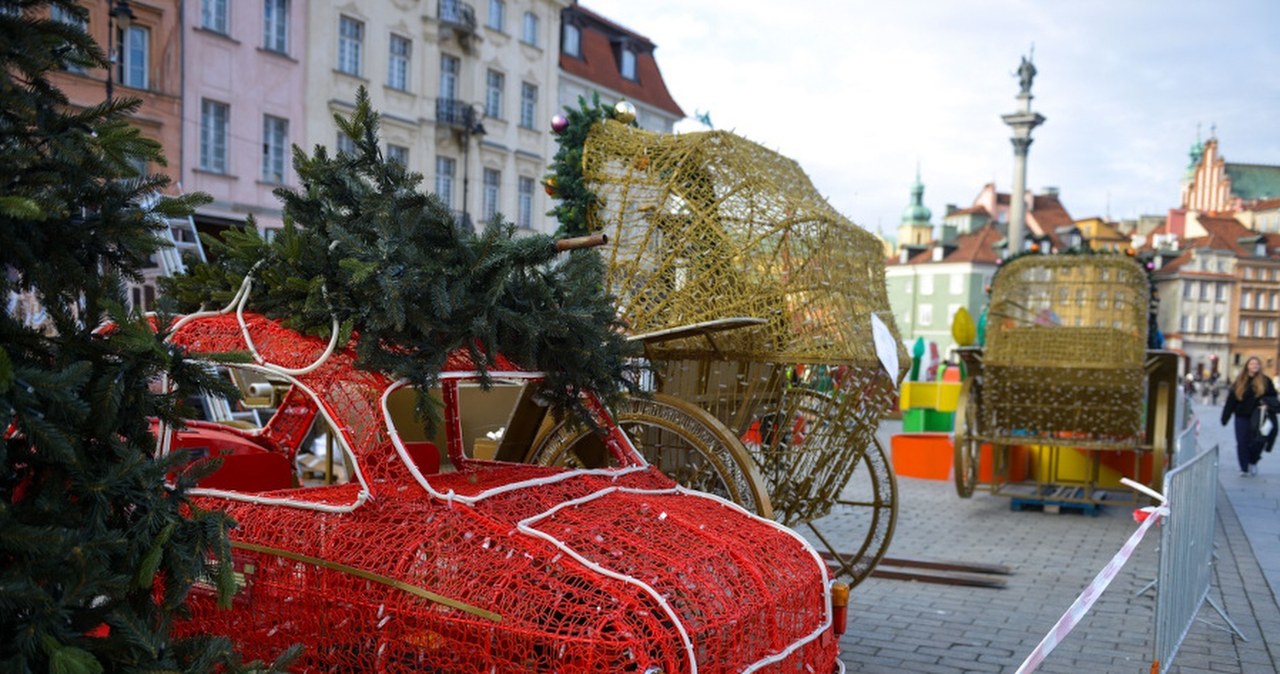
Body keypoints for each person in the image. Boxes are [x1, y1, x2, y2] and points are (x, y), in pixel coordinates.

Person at [1221, 356, 1278, 476]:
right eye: (1252, 364)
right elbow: (1232, 400)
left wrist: (1267, 405)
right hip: (1242, 416)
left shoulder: (1265, 381)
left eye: (1256, 364)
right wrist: (1225, 417)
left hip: (1259, 417)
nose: (1254, 366)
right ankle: (1244, 468)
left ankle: (1253, 461)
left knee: (1257, 442)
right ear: (1247, 366)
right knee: (1242, 442)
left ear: (1259, 366)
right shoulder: (1240, 381)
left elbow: (1273, 398)